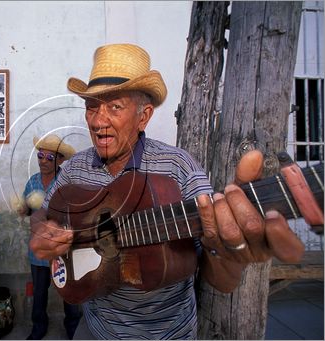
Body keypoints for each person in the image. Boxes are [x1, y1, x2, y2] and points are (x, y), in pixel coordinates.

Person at [29, 44, 305, 339]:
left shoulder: (178, 166)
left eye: (114, 107)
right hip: (93, 330)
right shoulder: (74, 168)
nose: (98, 120)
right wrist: (42, 230)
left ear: (143, 116)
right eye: (92, 107)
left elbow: (222, 281)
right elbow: (44, 212)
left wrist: (228, 253)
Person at [17, 134, 81, 340]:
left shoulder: (67, 182)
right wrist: (25, 209)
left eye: (49, 158)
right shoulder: (32, 181)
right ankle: (38, 326)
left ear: (60, 160)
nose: (43, 161)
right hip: (39, 249)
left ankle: (73, 326)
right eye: (40, 156)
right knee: (39, 291)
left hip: (63, 247)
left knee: (68, 289)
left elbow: (75, 213)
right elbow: (28, 212)